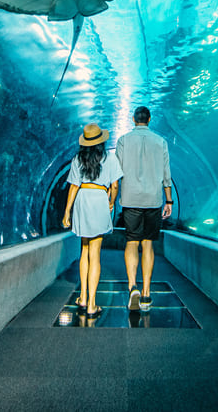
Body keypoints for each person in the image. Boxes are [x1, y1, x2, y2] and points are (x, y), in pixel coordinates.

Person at [115, 105, 172, 312]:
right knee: (147, 244)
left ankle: (132, 287)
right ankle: (147, 294)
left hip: (130, 199)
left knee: (132, 241)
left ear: (133, 119)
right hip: (153, 200)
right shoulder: (161, 142)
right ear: (150, 119)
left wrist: (113, 196)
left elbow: (117, 171)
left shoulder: (123, 141)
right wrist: (169, 201)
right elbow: (167, 174)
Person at [62, 123, 121, 319]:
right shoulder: (110, 158)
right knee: (95, 254)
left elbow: (73, 187)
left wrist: (67, 212)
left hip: (82, 200)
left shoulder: (78, 158)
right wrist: (111, 203)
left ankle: (83, 297)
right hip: (99, 200)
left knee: (84, 250)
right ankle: (92, 304)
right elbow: (114, 185)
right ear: (101, 142)